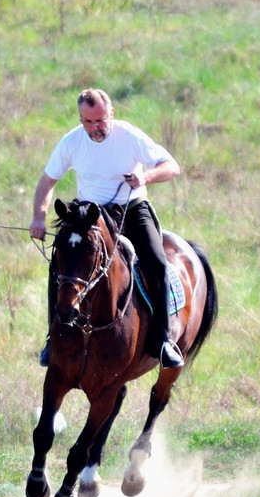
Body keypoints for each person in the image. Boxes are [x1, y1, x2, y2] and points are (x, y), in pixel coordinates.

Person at [29, 88, 184, 368]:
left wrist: (145, 176)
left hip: (131, 208)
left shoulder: (130, 136)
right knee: (60, 267)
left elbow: (172, 166)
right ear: (80, 119)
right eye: (88, 122)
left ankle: (162, 341)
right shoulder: (72, 142)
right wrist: (38, 217)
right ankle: (54, 338)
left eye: (100, 120)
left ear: (111, 114)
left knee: (157, 262)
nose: (95, 128)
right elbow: (46, 183)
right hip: (88, 214)